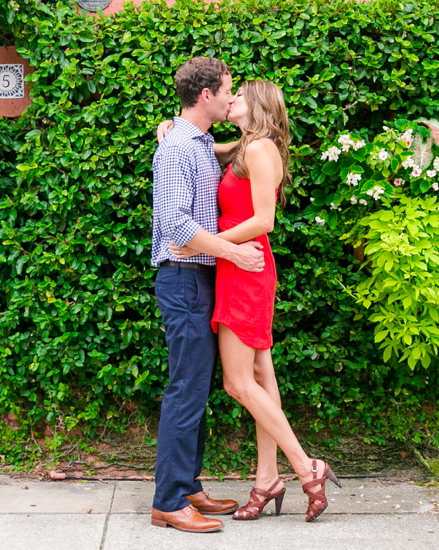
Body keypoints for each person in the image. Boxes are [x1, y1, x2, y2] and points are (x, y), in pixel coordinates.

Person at [162, 79, 341, 523]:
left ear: (256, 104)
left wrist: (208, 243)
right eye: (229, 92)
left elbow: (265, 219)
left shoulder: (259, 151)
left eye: (239, 94)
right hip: (235, 265)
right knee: (260, 375)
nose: (231, 99)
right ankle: (266, 478)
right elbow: (206, 144)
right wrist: (170, 126)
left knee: (237, 383)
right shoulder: (245, 147)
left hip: (245, 266)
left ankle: (305, 466)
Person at [149, 57, 266, 534]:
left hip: (196, 280)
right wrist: (233, 254)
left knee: (195, 387)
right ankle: (169, 501)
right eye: (227, 91)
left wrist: (258, 135)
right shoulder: (178, 148)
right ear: (205, 96)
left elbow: (229, 148)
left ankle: (189, 486)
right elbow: (177, 225)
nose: (230, 97)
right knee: (185, 388)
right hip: (182, 277)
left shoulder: (194, 141)